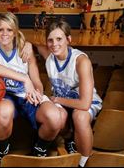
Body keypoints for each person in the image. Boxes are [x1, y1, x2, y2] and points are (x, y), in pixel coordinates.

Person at [0, 12, 66, 161]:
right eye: (0, 29)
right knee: (4, 112)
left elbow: (36, 81)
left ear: (15, 31)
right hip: (5, 95)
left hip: (26, 94)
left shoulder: (24, 48)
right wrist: (24, 79)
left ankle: (39, 149)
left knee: (54, 118)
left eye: (9, 30)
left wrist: (37, 92)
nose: (4, 34)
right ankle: (2, 153)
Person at [36, 21, 103, 167]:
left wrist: (56, 99)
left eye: (59, 39)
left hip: (85, 102)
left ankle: (84, 162)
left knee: (79, 116)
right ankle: (69, 138)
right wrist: (28, 47)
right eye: (50, 40)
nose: (54, 44)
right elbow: (37, 46)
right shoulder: (49, 56)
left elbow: (84, 104)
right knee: (57, 116)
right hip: (63, 101)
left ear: (69, 39)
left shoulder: (80, 60)